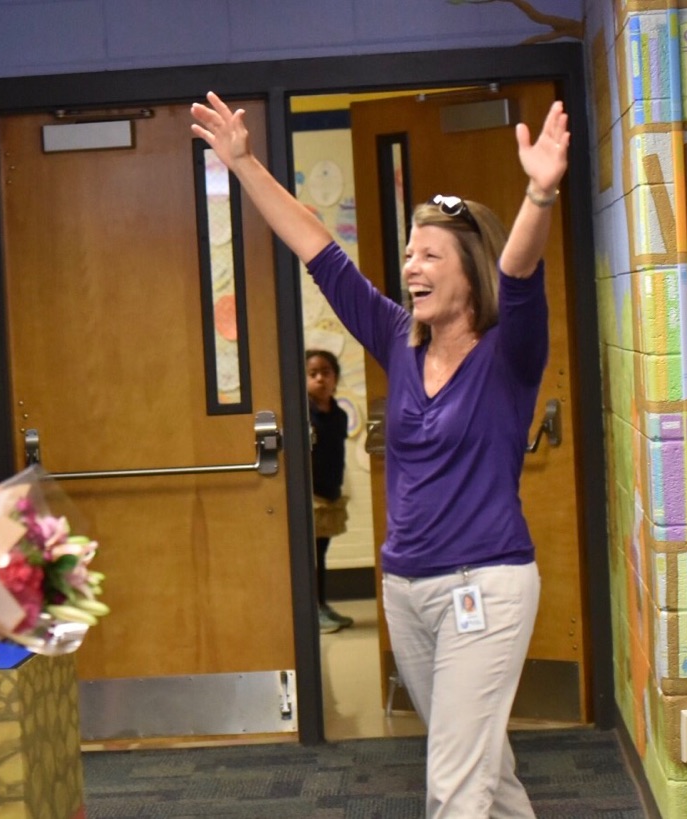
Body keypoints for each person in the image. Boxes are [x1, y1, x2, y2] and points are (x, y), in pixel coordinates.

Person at [192, 90, 568, 817]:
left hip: (484, 588)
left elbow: (520, 273)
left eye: (431, 253)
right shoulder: (399, 337)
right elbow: (315, 247)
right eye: (407, 254)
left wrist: (539, 193)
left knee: (453, 785)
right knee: (486, 767)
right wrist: (243, 165)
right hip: (407, 590)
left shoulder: (508, 355)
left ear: (471, 270)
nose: (412, 266)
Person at [305, 349, 352, 634]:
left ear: (335, 378)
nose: (320, 379)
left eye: (326, 373)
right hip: (310, 497)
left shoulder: (340, 415)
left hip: (329, 492)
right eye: (313, 374)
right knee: (309, 555)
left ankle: (321, 603)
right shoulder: (303, 415)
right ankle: (313, 608)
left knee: (321, 553)